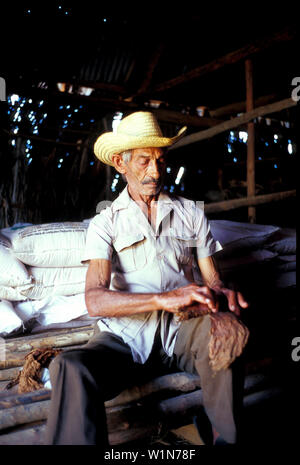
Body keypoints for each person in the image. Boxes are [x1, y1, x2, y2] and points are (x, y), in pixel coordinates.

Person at [44, 111, 249, 446]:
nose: (155, 171)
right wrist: (161, 299)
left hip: (179, 330)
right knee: (70, 367)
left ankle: (224, 438)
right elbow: (94, 299)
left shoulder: (191, 213)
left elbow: (213, 280)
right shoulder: (105, 223)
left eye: (160, 160)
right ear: (120, 163)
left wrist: (222, 296)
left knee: (223, 334)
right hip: (124, 339)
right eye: (143, 161)